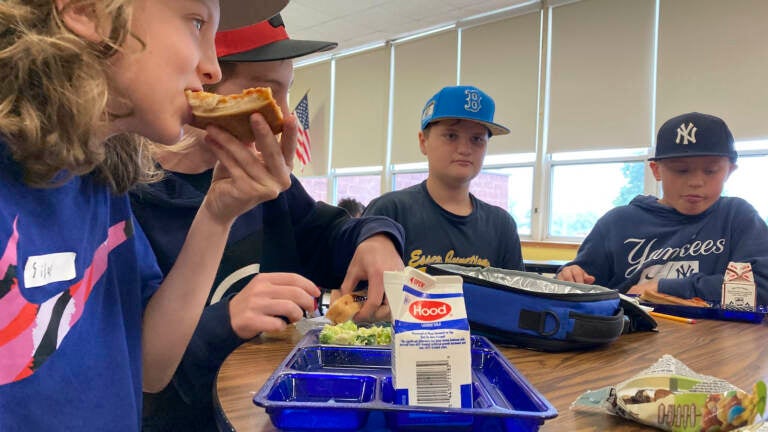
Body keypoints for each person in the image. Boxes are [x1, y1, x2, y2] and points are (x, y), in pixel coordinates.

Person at [0, 0, 292, 430]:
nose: (211, 69)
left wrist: (216, 216)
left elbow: (150, 368)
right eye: (196, 23)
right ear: (86, 11)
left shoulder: (97, 176)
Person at [129, 15, 405, 431]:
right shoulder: (126, 197)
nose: (280, 114)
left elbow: (328, 235)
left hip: (272, 415)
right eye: (262, 90)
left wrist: (376, 236)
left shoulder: (269, 186)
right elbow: (135, 367)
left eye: (285, 92)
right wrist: (225, 321)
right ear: (199, 85)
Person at [557, 112, 768, 306]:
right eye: (681, 170)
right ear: (656, 170)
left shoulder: (738, 218)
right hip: (633, 340)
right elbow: (580, 285)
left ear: (730, 171)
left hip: (716, 342)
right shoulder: (617, 223)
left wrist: (665, 288)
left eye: (710, 170)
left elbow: (761, 286)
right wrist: (569, 276)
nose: (696, 182)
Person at [364, 85, 525, 272]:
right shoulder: (390, 212)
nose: (464, 149)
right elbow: (350, 295)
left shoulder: (501, 225)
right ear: (423, 142)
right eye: (451, 136)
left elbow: (517, 299)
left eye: (477, 139)